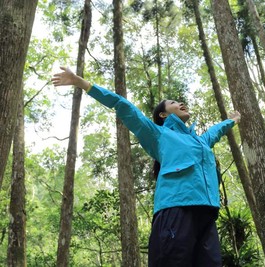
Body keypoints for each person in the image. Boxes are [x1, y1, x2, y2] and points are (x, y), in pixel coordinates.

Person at [52, 66, 241, 267]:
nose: (180, 103)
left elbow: (215, 132)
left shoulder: (201, 142)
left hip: (207, 213)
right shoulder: (158, 135)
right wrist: (82, 83)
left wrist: (232, 120)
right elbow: (123, 106)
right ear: (163, 115)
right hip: (176, 209)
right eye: (173, 102)